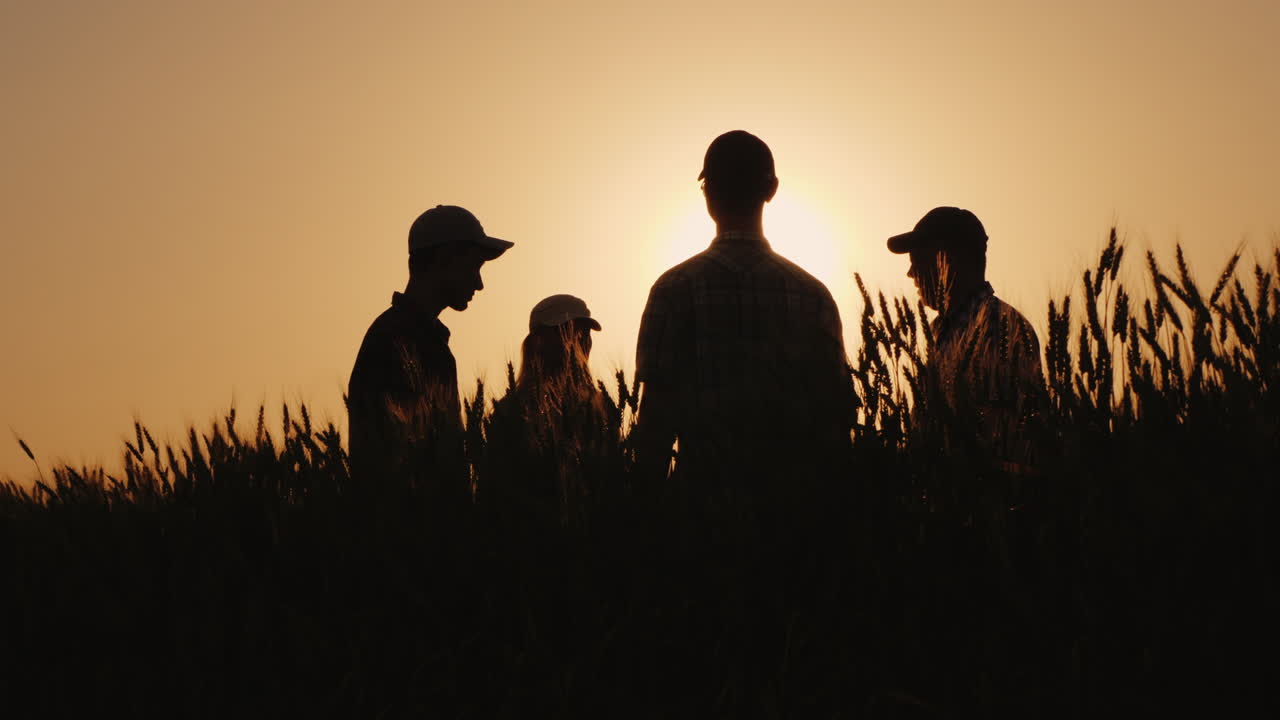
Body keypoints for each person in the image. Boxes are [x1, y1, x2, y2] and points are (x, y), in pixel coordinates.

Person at [633, 130, 854, 482]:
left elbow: (655, 419)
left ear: (707, 193)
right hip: (795, 511)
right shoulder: (814, 295)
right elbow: (834, 417)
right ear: (772, 189)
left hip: (702, 509)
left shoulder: (673, 290)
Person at [347, 204, 512, 480]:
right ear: (444, 260)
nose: (479, 283)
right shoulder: (400, 339)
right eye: (474, 266)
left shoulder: (415, 335)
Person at [887, 206, 1043, 463]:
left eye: (918, 259)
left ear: (948, 258)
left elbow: (1001, 434)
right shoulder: (941, 331)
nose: (911, 273)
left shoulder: (1001, 328)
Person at [485, 294, 611, 502]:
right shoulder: (510, 413)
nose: (579, 340)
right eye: (568, 331)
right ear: (538, 341)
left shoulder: (601, 409)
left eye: (584, 333)